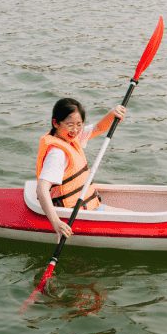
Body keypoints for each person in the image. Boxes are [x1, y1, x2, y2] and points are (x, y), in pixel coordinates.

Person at [35, 97, 126, 240]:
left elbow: (98, 128)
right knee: (126, 218)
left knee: (126, 213)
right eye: (70, 125)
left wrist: (112, 114)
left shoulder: (71, 137)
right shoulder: (57, 153)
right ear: (56, 123)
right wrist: (56, 223)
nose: (75, 130)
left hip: (89, 207)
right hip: (73, 215)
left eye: (79, 124)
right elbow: (41, 189)